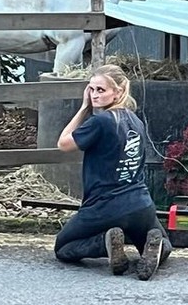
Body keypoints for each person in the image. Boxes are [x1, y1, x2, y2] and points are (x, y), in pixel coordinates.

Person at [53, 64, 171, 280]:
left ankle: (105, 242)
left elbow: (63, 143)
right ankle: (151, 250)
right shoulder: (135, 120)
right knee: (165, 244)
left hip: (104, 207)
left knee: (63, 248)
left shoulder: (99, 121)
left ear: (118, 92)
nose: (94, 95)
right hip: (140, 204)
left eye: (101, 90)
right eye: (91, 89)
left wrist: (83, 109)